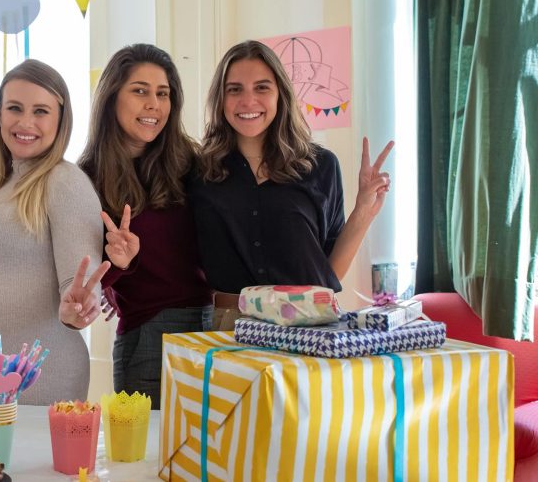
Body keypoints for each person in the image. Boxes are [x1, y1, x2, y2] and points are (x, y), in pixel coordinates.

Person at [189, 40, 394, 329]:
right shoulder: (199, 172)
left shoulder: (321, 165)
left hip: (309, 325)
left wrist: (363, 210)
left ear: (280, 95)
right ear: (220, 99)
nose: (248, 101)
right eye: (234, 89)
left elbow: (329, 272)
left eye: (262, 87)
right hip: (229, 325)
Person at [0, 59, 106, 405]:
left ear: (60, 120)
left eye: (41, 111)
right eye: (14, 108)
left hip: (36, 381)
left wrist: (75, 307)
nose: (25, 122)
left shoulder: (65, 181)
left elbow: (80, 276)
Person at [77, 44, 211, 408]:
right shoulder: (85, 179)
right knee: (144, 458)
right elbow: (84, 283)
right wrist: (119, 267)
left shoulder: (191, 163)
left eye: (163, 93)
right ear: (111, 98)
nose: (154, 104)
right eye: (140, 91)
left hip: (214, 324)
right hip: (150, 334)